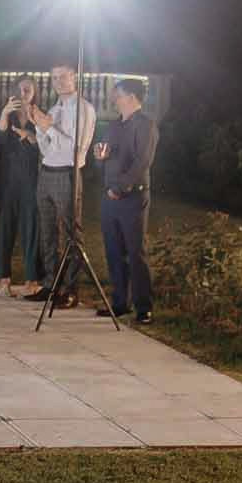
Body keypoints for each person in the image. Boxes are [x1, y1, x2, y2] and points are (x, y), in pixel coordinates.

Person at [21, 63, 95, 306]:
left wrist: (47, 127)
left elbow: (74, 148)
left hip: (67, 173)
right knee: (47, 232)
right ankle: (50, 284)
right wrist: (40, 128)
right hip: (47, 173)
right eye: (54, 77)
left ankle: (71, 290)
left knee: (72, 233)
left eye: (64, 77)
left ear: (75, 77)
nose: (59, 81)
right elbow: (45, 147)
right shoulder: (55, 107)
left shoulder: (83, 109)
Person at [94, 77, 159, 322]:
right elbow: (105, 158)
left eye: (117, 94)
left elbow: (142, 162)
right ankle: (120, 302)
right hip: (109, 196)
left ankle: (144, 307)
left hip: (132, 196)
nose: (114, 99)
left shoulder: (146, 125)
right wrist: (100, 159)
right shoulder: (114, 126)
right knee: (113, 250)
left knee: (135, 251)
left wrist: (120, 188)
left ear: (131, 97)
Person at [0, 76, 43, 297]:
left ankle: (31, 279)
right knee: (5, 229)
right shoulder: (2, 114)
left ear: (34, 93)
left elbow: (47, 142)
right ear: (14, 91)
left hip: (32, 180)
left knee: (31, 229)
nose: (24, 93)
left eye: (28, 90)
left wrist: (30, 134)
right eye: (20, 89)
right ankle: (4, 279)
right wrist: (4, 113)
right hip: (6, 180)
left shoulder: (39, 115)